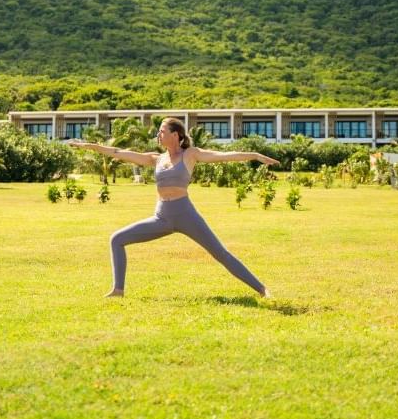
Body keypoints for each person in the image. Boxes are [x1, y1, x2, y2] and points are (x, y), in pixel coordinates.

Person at [68, 117, 279, 298]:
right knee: (117, 239)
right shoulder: (156, 159)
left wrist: (254, 155)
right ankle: (118, 289)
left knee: (220, 253)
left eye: (162, 131)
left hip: (186, 214)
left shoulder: (190, 154)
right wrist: (91, 146)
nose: (158, 135)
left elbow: (223, 156)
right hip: (162, 217)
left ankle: (262, 289)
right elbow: (119, 151)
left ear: (176, 135)